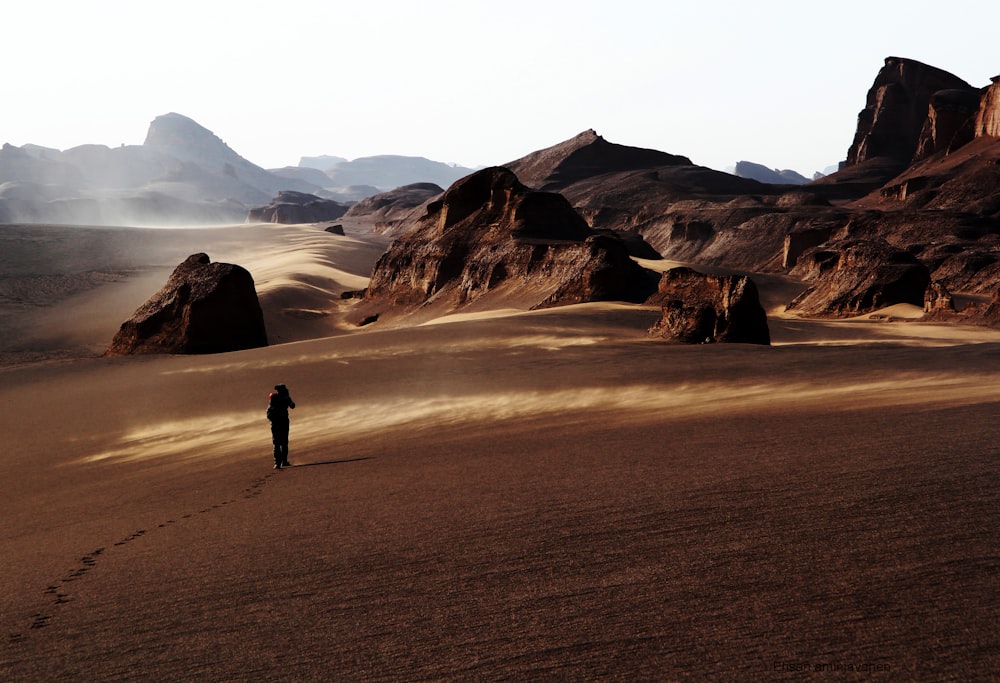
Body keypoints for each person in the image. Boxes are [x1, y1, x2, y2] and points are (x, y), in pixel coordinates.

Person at [267, 384, 296, 469]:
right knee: (283, 442)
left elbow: (292, 405)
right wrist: (288, 400)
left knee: (278, 443)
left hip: (276, 423)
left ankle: (278, 463)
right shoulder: (283, 398)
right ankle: (283, 462)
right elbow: (293, 406)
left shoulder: (274, 398)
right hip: (282, 422)